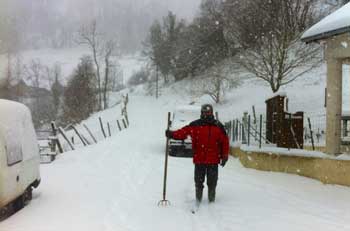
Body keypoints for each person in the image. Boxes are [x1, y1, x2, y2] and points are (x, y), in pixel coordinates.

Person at [165, 104, 229, 203]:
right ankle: (198, 199)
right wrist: (172, 134)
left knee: (212, 182)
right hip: (200, 159)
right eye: (204, 112)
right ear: (201, 113)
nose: (206, 114)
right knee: (198, 182)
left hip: (213, 160)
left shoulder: (218, 126)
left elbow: (224, 142)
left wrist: (224, 156)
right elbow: (183, 132)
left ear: (211, 113)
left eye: (208, 112)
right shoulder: (195, 125)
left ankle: (211, 200)